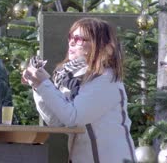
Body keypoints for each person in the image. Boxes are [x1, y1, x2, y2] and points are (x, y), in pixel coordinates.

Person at [22, 18, 136, 162]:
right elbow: (57, 121)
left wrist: (45, 83)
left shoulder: (105, 79)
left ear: (101, 46)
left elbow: (73, 118)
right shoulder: (73, 78)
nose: (71, 42)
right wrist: (37, 85)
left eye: (79, 39)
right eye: (71, 37)